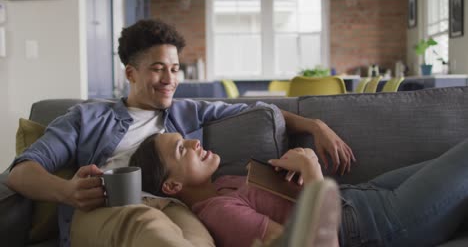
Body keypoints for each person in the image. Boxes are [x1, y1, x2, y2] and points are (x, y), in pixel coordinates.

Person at [6, 18, 355, 247]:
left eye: (174, 69)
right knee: (144, 220)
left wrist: (315, 125)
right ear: (130, 74)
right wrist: (67, 192)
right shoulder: (87, 117)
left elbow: (259, 110)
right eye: (158, 69)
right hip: (106, 210)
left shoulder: (187, 111)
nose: (170, 79)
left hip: (175, 208)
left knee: (198, 240)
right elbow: (21, 171)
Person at [130, 132, 468, 247]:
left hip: (361, 196)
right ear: (172, 185)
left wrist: (297, 183)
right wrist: (313, 171)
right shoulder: (219, 214)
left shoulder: (221, 186)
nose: (193, 141)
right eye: (180, 150)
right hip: (373, 225)